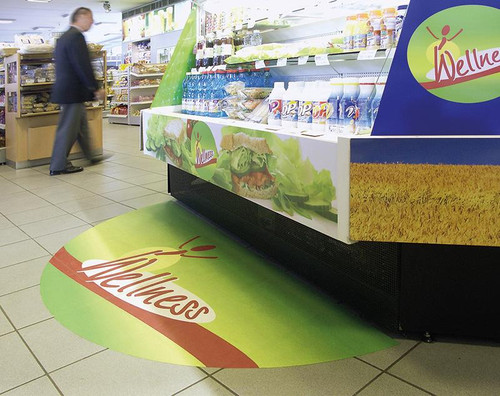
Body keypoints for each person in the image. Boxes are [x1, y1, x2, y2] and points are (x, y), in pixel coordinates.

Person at [49, 7, 105, 175]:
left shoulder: (63, 38)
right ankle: (58, 165)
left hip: (69, 91)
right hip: (72, 92)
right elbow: (82, 65)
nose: (92, 22)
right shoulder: (76, 37)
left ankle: (91, 156)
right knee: (68, 129)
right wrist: (95, 87)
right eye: (90, 18)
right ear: (80, 18)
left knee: (81, 127)